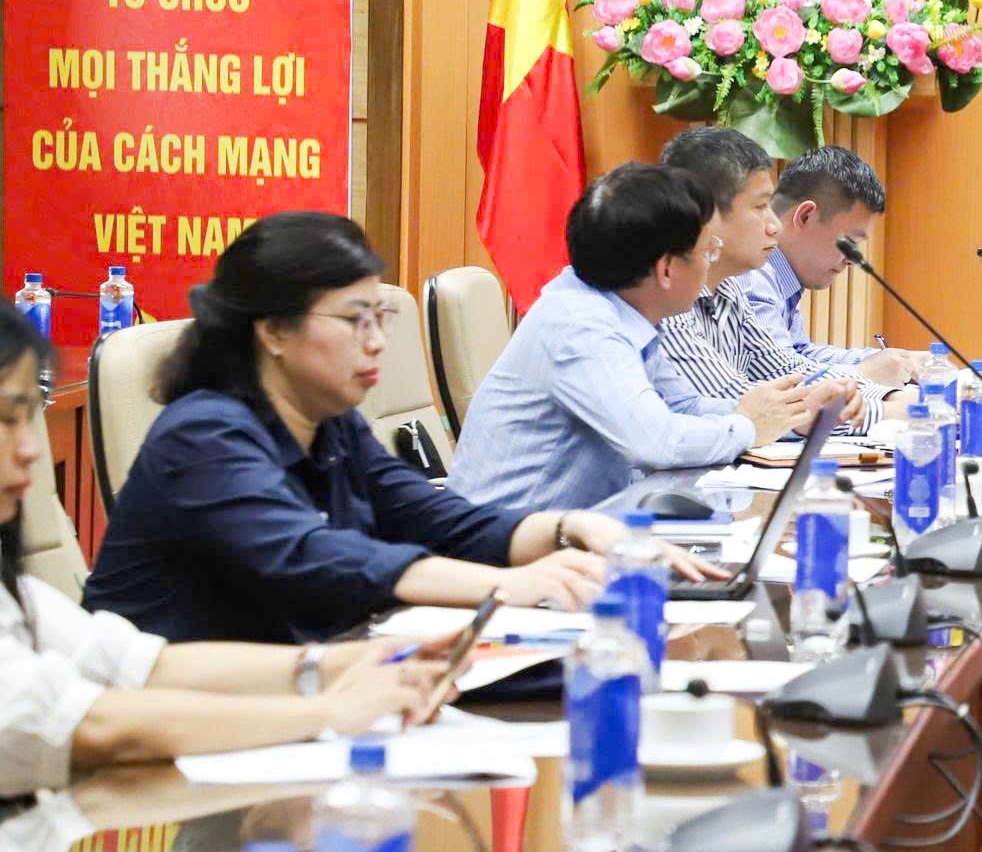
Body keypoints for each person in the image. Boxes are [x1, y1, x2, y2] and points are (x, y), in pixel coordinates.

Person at [84, 214, 664, 648]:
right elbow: (315, 558)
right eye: (353, 320)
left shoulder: (330, 423)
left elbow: (443, 523)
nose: (378, 340)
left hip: (305, 688)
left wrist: (571, 528)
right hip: (176, 724)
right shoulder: (203, 436)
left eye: (379, 317)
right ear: (273, 331)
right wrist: (507, 586)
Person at [0, 304, 445, 796]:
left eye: (28, 420)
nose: (31, 449)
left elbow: (142, 666)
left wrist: (356, 662)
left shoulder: (14, 591)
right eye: (7, 420)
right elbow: (95, 727)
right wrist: (326, 712)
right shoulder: (205, 433)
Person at [450, 163, 812, 513]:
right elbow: (658, 442)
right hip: (504, 545)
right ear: (666, 269)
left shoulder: (625, 311)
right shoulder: (582, 326)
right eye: (708, 252)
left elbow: (682, 406)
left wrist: (784, 413)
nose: (709, 265)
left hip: (575, 531)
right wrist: (747, 427)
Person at [650, 128, 865, 422]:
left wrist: (878, 397)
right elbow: (735, 401)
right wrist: (868, 406)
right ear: (704, 212)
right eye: (761, 207)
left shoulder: (728, 287)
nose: (775, 226)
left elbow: (782, 368)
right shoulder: (664, 296)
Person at [744, 144, 923, 396]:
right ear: (805, 216)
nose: (852, 261)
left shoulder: (780, 276)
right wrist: (865, 374)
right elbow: (783, 378)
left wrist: (895, 361)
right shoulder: (752, 275)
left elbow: (800, 352)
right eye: (849, 242)